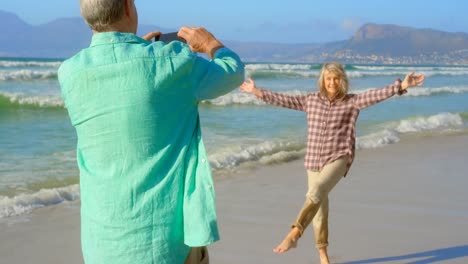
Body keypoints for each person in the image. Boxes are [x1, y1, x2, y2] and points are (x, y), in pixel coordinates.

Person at [57, 0, 244, 263]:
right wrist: (211, 44)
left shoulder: (70, 72)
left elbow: (122, 93)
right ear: (126, 7)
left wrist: (137, 51)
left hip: (102, 244)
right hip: (163, 244)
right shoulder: (172, 61)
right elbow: (232, 73)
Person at [240, 62, 424, 264]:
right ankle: (323, 257)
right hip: (313, 161)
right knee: (319, 209)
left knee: (316, 191)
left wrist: (400, 85)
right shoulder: (311, 100)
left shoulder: (351, 102)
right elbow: (285, 100)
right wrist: (257, 91)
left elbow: (376, 95)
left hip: (339, 157)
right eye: (328, 78)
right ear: (323, 80)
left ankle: (294, 233)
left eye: (336, 78)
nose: (332, 82)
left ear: (342, 80)